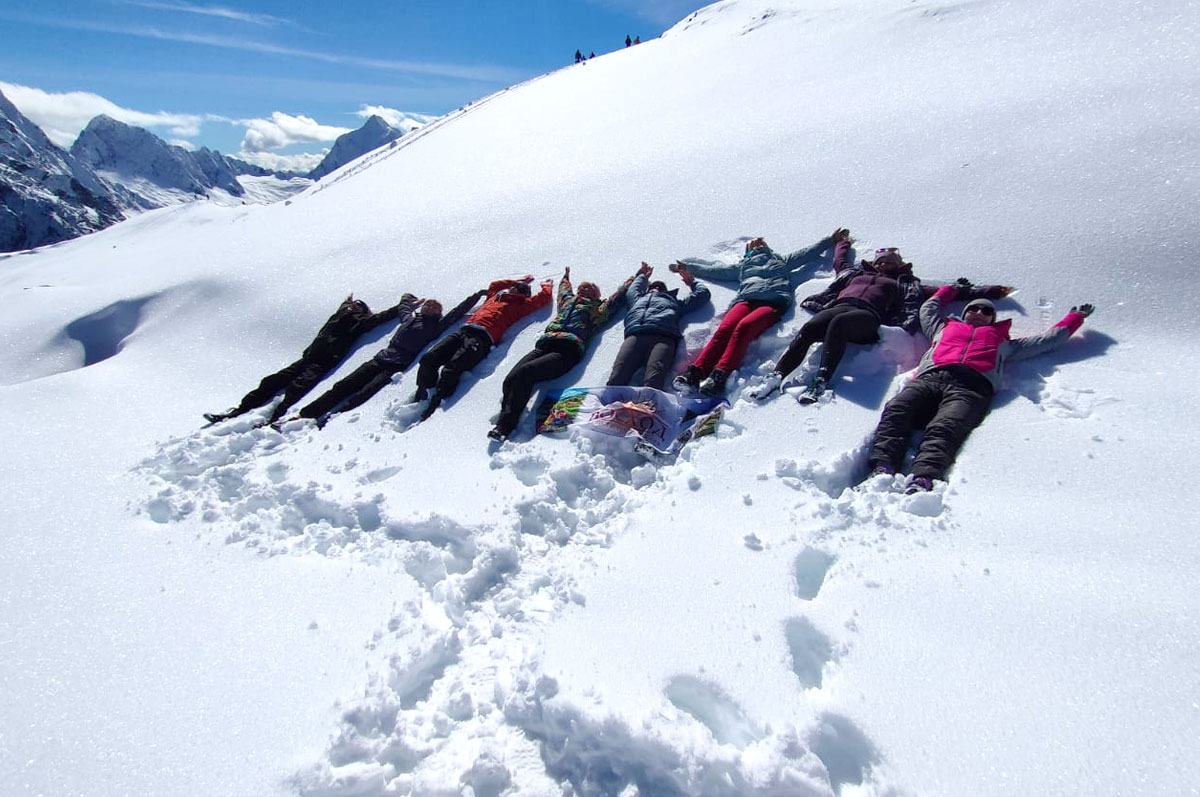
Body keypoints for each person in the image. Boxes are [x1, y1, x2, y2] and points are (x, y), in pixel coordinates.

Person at [867, 285, 1095, 493]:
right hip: (930, 378)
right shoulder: (943, 328)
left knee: (946, 427)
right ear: (965, 313)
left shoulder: (1002, 342)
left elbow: (1045, 341)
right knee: (897, 409)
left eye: (986, 311)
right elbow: (928, 310)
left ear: (992, 319)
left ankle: (924, 477)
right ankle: (883, 466)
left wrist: (1075, 318)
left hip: (970, 388)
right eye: (973, 308)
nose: (978, 312)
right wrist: (951, 290)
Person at [755, 230, 1012, 403]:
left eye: (888, 261)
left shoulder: (906, 283)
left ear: (898, 264)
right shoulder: (854, 274)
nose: (882, 264)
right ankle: (776, 377)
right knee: (811, 328)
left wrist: (988, 291)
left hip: (868, 316)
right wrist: (841, 243)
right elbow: (840, 262)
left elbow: (945, 292)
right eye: (879, 260)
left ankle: (821, 381)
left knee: (839, 324)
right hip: (841, 304)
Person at [672, 231, 839, 396]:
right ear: (748, 251)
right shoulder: (743, 267)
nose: (757, 244)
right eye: (753, 244)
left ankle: (719, 375)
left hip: (773, 302)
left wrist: (829, 240)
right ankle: (695, 374)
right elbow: (714, 270)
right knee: (724, 329)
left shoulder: (780, 261)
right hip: (745, 301)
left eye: (761, 242)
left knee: (744, 327)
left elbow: (806, 254)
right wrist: (688, 268)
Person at [203, 293, 405, 425]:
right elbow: (348, 309)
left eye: (356, 306)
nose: (351, 307)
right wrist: (347, 302)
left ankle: (273, 415)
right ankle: (240, 410)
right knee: (272, 381)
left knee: (297, 386)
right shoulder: (340, 315)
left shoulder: (359, 321)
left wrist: (401, 307)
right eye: (351, 306)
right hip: (309, 356)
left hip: (323, 360)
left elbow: (378, 319)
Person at [291, 290, 485, 426]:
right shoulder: (410, 318)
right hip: (380, 359)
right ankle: (307, 414)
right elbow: (404, 304)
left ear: (438, 313)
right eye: (427, 305)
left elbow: (457, 312)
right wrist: (410, 298)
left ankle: (331, 419)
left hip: (395, 365)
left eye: (433, 307)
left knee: (363, 393)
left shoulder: (436, 326)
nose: (428, 308)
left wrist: (477, 296)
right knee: (343, 386)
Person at [488, 266, 638, 441]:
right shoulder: (567, 301)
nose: (583, 288)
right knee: (511, 378)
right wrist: (566, 277)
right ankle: (509, 413)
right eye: (581, 287)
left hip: (568, 350)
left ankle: (505, 427)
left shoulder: (598, 310)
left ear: (596, 295)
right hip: (545, 345)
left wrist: (636, 276)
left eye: (588, 287)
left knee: (526, 372)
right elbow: (564, 290)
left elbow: (617, 297)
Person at [411, 276, 553, 418]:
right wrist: (517, 281)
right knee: (429, 358)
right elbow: (494, 285)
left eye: (519, 288)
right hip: (463, 331)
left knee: (452, 367)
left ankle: (437, 401)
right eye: (514, 286)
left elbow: (543, 298)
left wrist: (546, 285)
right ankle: (424, 392)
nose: (515, 289)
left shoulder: (522, 305)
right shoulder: (494, 297)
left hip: (483, 339)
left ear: (524, 294)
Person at [606, 261, 710, 390]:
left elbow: (702, 295)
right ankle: (609, 400)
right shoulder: (638, 299)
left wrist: (692, 282)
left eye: (660, 287)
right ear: (648, 289)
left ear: (666, 291)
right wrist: (643, 276)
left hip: (663, 338)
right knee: (617, 377)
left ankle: (650, 400)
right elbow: (633, 289)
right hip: (635, 335)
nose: (656, 288)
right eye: (653, 286)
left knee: (654, 380)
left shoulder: (674, 302)